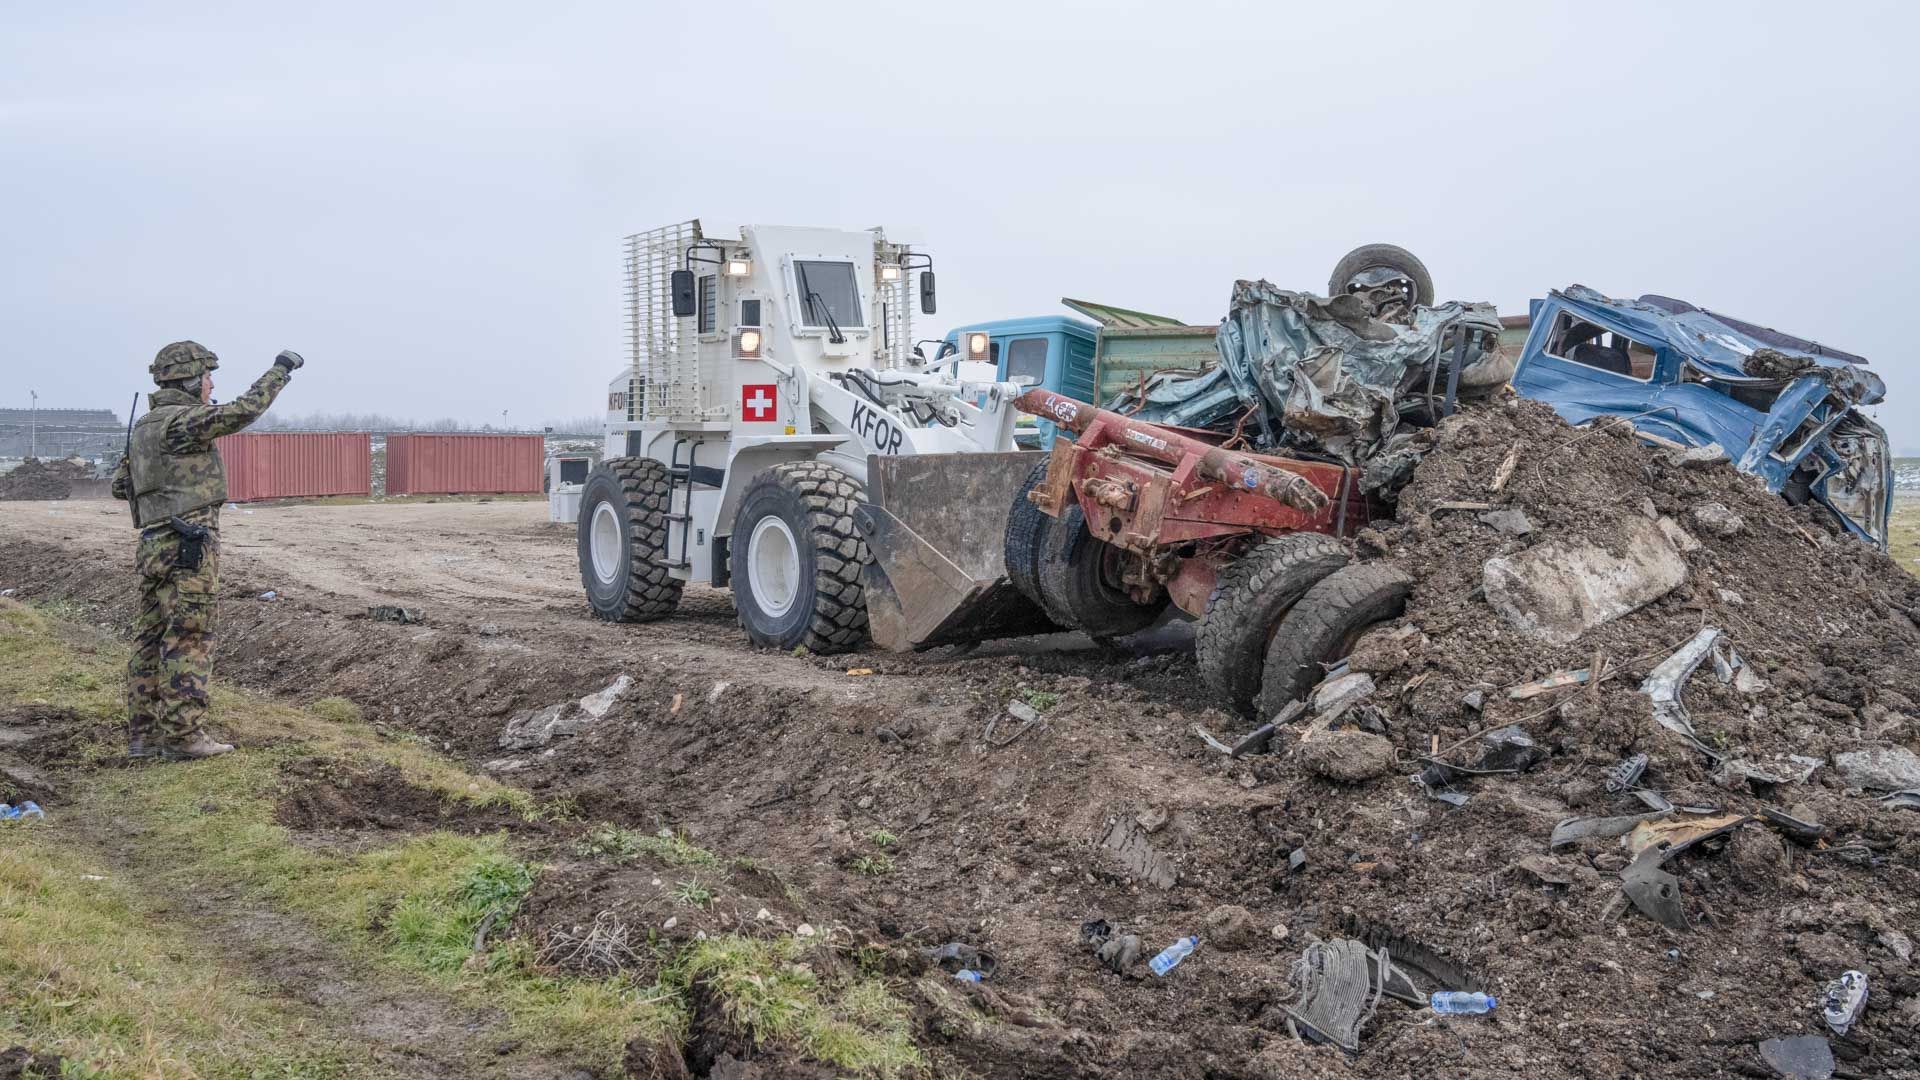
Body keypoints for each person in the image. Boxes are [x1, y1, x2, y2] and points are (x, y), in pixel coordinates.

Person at [110, 341, 305, 760]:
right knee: (189, 637)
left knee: (150, 639)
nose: (211, 384)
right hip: (189, 545)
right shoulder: (181, 422)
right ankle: (183, 738)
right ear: (191, 379)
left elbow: (120, 487)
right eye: (208, 377)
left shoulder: (144, 427)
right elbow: (242, 411)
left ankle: (143, 738)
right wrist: (280, 369)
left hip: (152, 546)